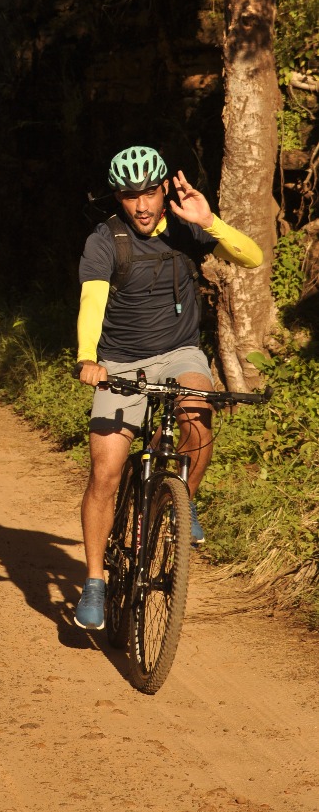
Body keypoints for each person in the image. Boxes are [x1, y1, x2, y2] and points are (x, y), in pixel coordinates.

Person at [72, 145, 263, 631]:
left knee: (198, 415)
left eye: (151, 193)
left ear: (164, 191)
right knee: (106, 471)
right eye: (131, 195)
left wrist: (211, 221)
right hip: (119, 362)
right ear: (118, 197)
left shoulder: (186, 230)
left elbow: (253, 256)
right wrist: (89, 358)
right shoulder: (104, 240)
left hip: (179, 353)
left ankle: (181, 498)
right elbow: (91, 304)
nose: (142, 205)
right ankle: (95, 580)